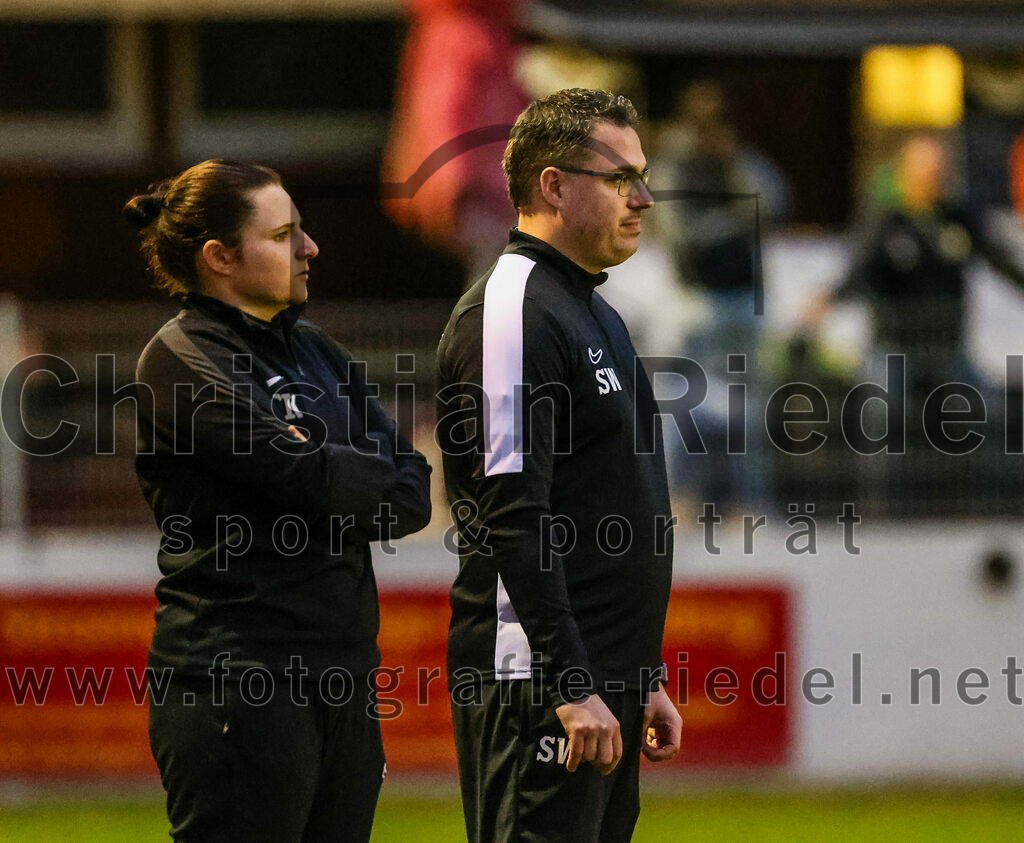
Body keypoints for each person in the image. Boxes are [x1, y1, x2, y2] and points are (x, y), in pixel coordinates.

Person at [126, 159, 432, 842]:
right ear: (219, 258)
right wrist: (334, 467)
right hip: (243, 677)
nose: (310, 247)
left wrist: (320, 462)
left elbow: (412, 490)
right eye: (284, 234)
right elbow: (299, 475)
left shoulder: (315, 349)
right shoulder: (180, 355)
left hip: (347, 677)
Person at [436, 88, 682, 843]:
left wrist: (642, 672)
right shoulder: (513, 307)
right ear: (552, 185)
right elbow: (515, 510)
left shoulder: (590, 307)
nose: (642, 198)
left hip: (604, 677)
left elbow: (605, 492)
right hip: (541, 683)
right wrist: (572, 681)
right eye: (619, 178)